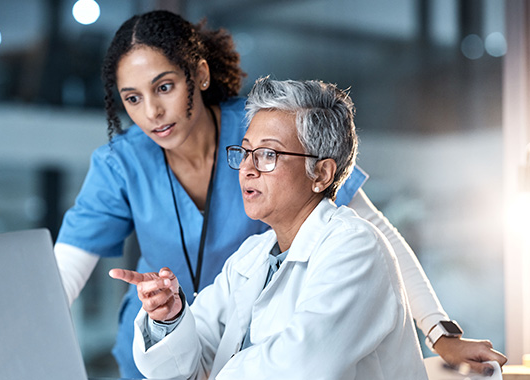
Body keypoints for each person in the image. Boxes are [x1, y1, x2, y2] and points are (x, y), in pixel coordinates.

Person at [54, 10, 506, 377]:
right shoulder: (128, 166)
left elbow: (375, 233)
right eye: (132, 98)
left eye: (165, 87)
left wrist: (438, 330)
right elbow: (60, 281)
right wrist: (168, 316)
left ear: (201, 75)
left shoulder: (268, 131)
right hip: (185, 340)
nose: (151, 112)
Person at [110, 77, 428, 380]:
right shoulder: (253, 255)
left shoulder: (355, 248)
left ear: (321, 173)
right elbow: (191, 358)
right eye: (245, 152)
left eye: (267, 154)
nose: (247, 168)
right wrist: (169, 319)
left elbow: (302, 366)